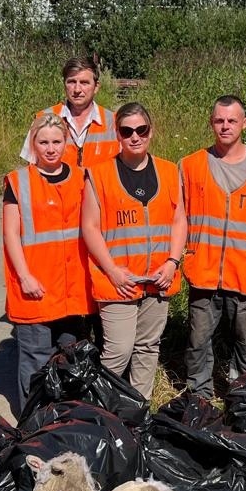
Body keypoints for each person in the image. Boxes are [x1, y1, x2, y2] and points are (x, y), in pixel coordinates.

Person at [81, 103, 186, 401]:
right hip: (118, 280)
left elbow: (179, 220)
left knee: (147, 347)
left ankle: (138, 410)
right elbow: (89, 228)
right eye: (127, 131)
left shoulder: (168, 171)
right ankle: (103, 411)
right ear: (117, 134)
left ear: (151, 131)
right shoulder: (99, 174)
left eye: (141, 130)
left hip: (158, 278)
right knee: (118, 351)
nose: (135, 137)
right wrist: (112, 271)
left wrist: (172, 262)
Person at [179, 95, 246, 399]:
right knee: (198, 341)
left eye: (232, 120)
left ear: (244, 123)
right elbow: (177, 218)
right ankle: (199, 396)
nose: (225, 126)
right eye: (219, 120)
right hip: (204, 271)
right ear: (211, 122)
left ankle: (244, 397)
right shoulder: (190, 166)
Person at [2, 112, 95, 412]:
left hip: (73, 290)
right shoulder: (18, 182)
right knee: (35, 355)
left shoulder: (82, 178)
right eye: (43, 142)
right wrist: (25, 276)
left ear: (67, 142)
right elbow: (11, 235)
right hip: (36, 287)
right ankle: (32, 418)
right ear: (33, 143)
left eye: (57, 141)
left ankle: (66, 414)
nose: (51, 148)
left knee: (70, 353)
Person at [23, 56, 119, 168]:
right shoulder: (42, 119)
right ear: (64, 84)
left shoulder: (114, 121)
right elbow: (31, 170)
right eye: (72, 82)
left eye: (84, 83)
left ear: (96, 87)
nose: (77, 89)